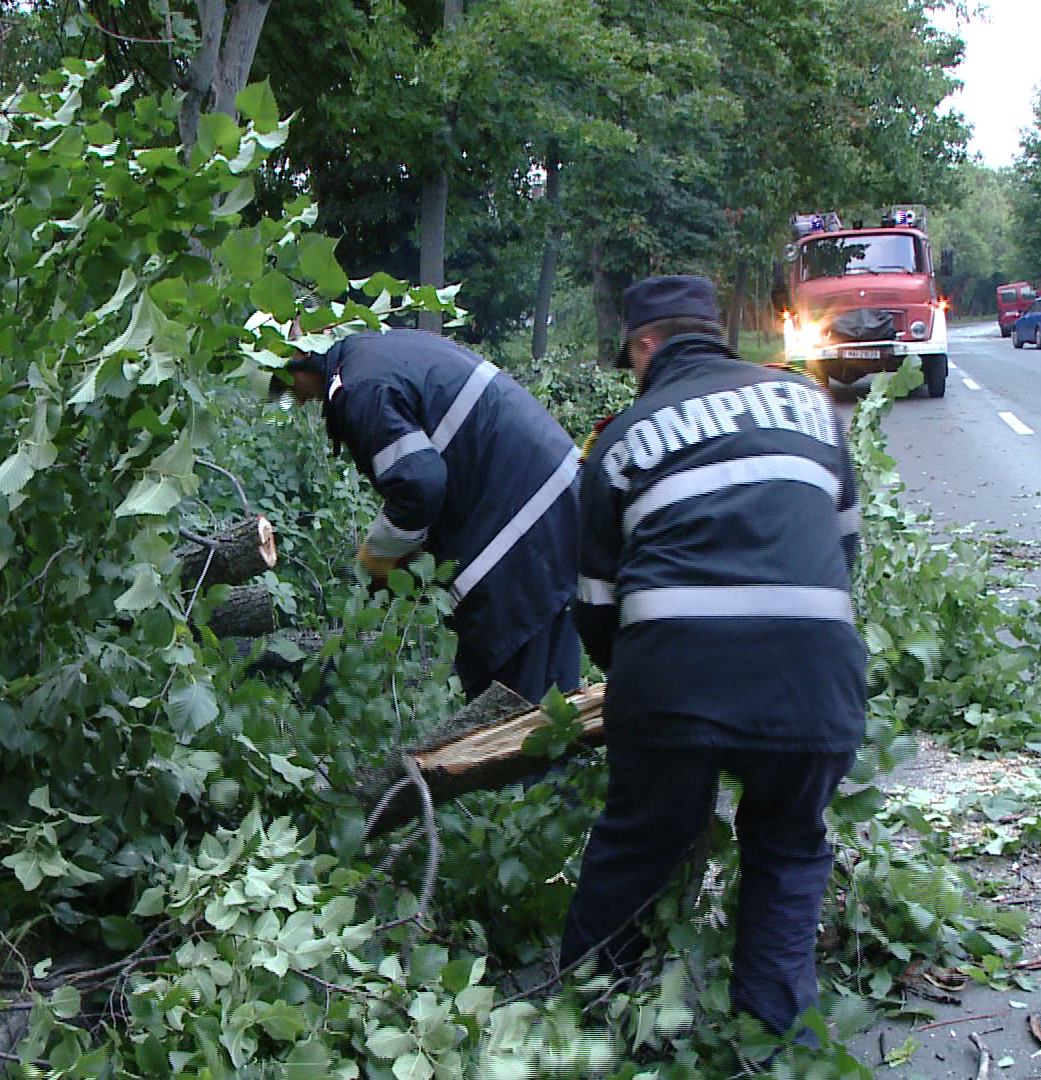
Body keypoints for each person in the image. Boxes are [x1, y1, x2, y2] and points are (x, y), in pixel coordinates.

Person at [559, 275, 866, 1041]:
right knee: (788, 844)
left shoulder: (621, 439)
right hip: (814, 673)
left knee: (638, 841)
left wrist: (643, 693)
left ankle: (588, 1022)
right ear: (713, 334)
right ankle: (772, 1038)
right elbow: (844, 551)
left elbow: (596, 607)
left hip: (674, 674)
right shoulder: (811, 406)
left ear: (646, 346)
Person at [276, 327, 582, 703]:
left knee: (518, 703)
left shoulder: (361, 387)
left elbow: (419, 486)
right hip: (545, 507)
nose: (294, 399)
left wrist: (378, 555)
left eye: (284, 384)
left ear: (301, 355)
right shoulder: (375, 356)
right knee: (544, 692)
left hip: (524, 527)